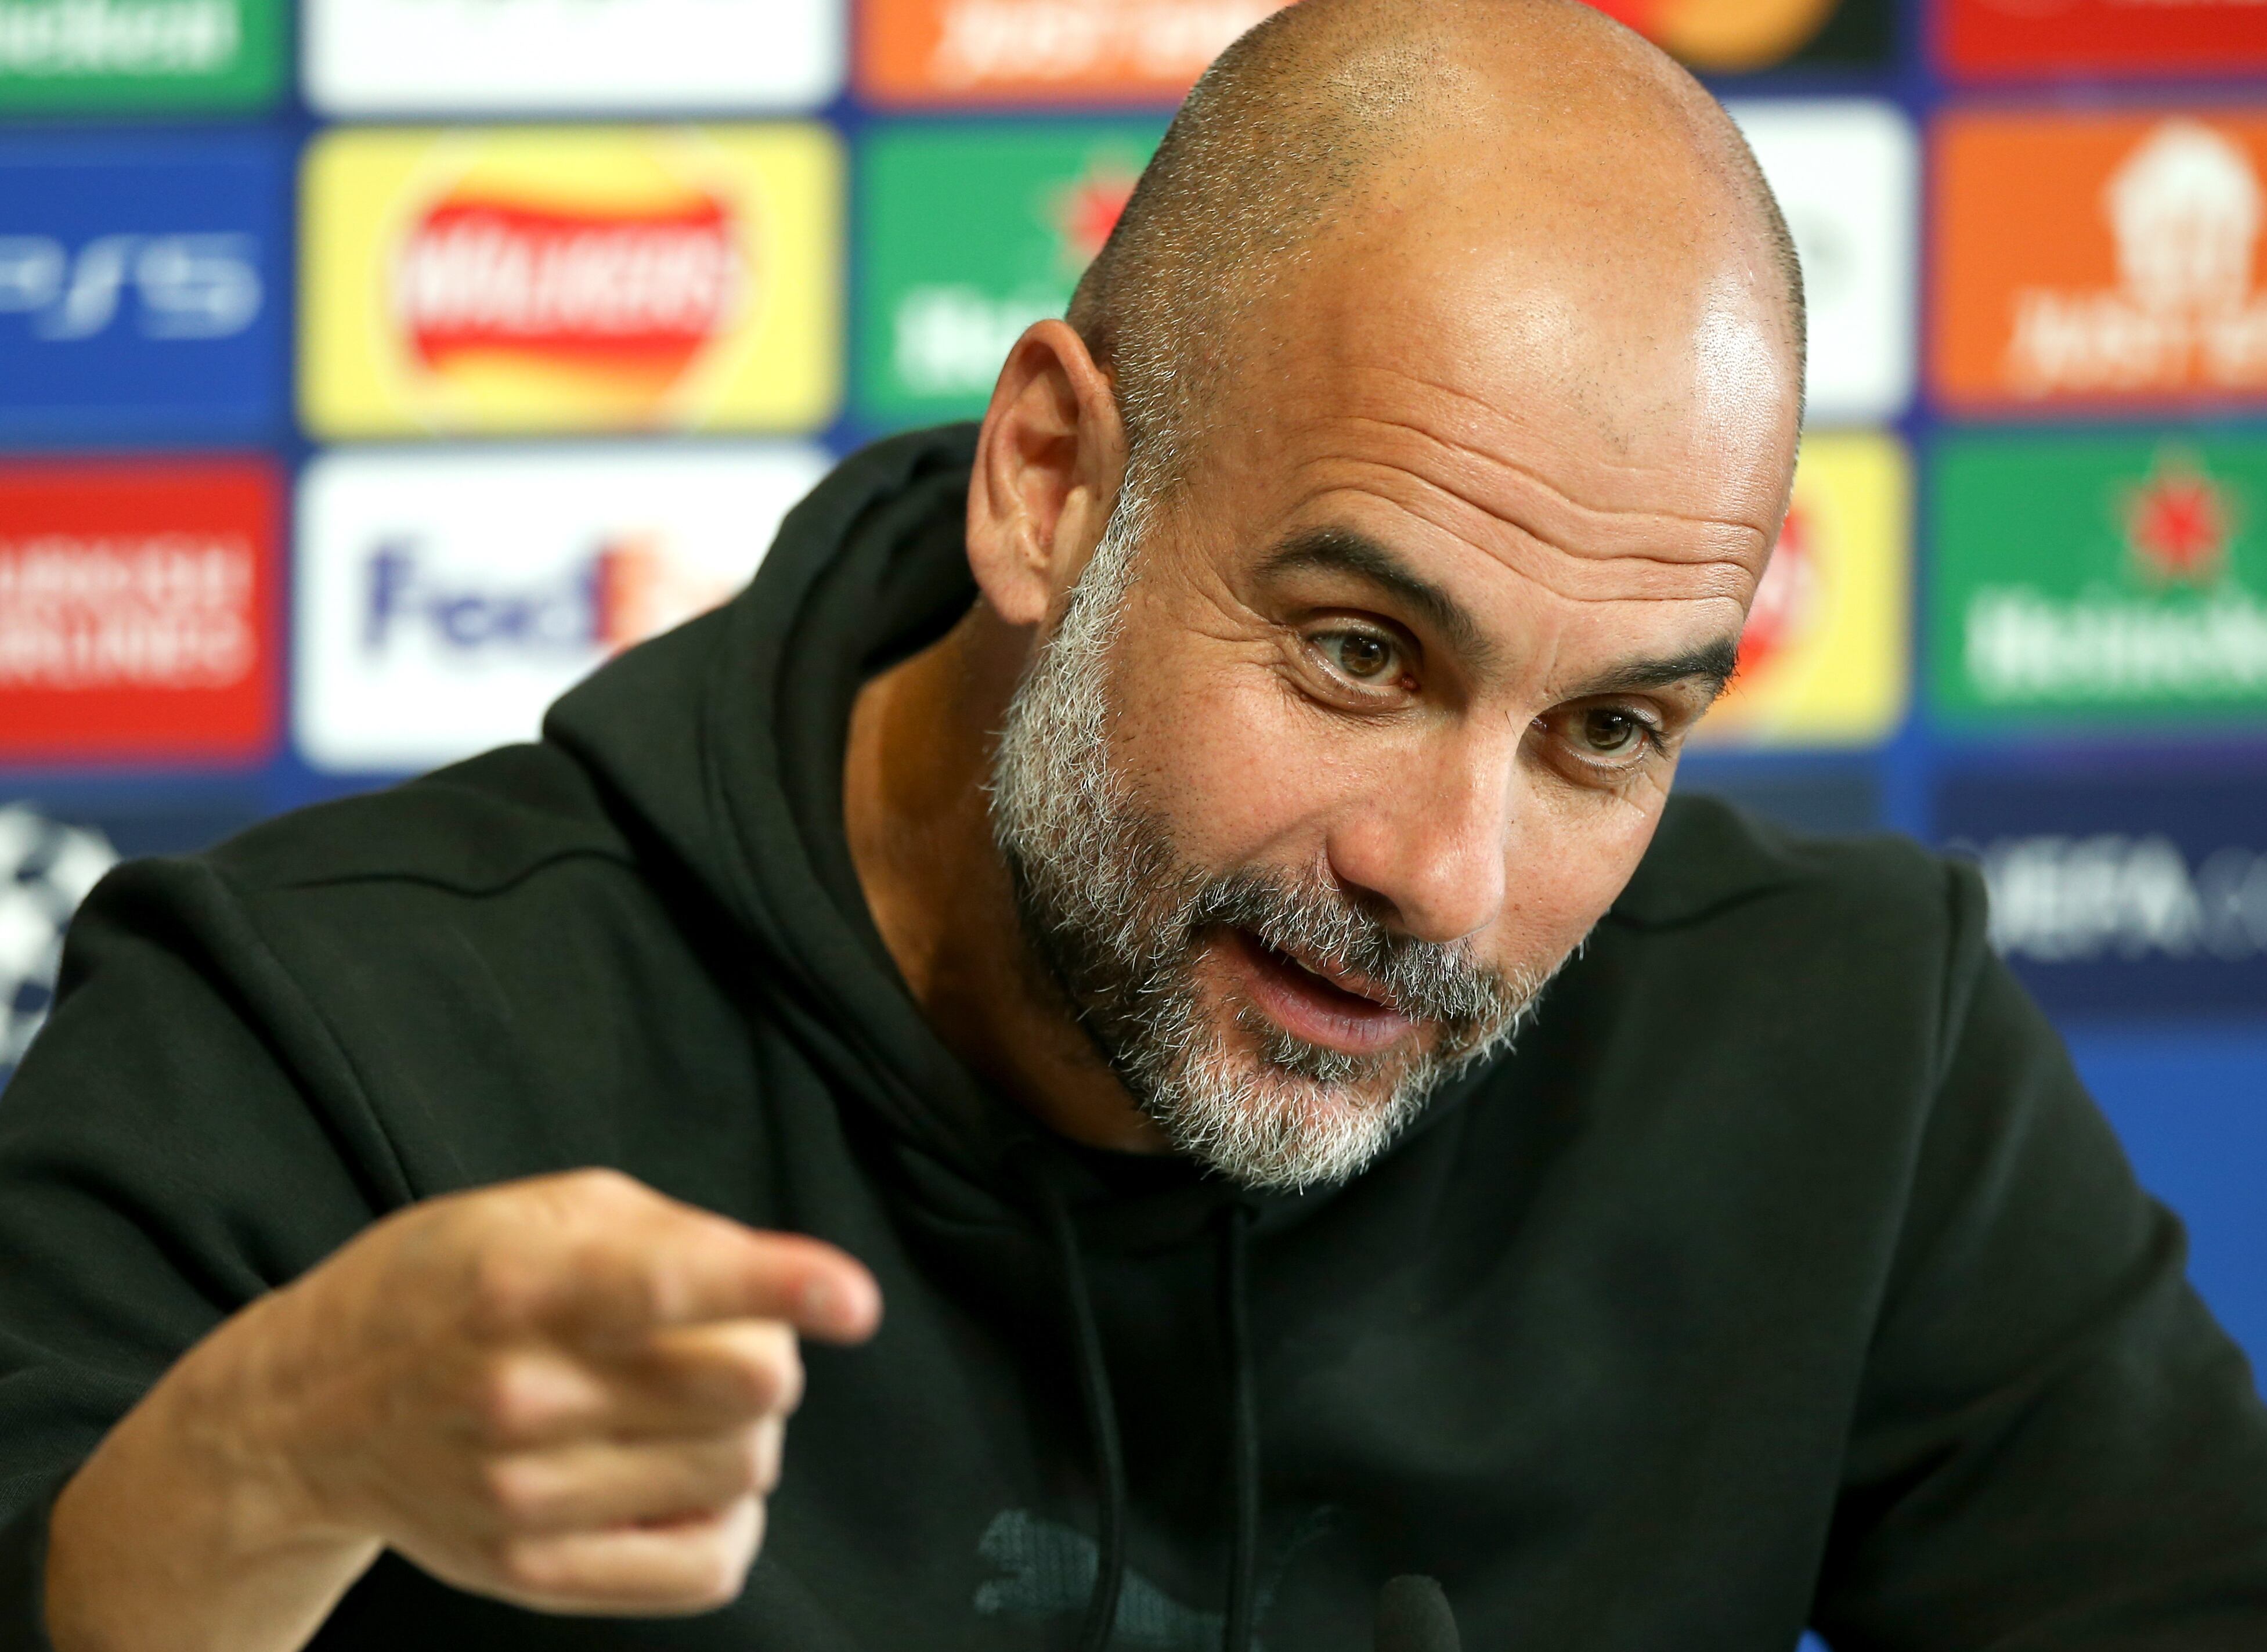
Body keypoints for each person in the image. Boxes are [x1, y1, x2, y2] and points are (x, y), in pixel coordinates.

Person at [8, 1, 2267, 1647]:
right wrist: (279, 1456)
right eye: (1358, 653)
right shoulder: (328, 1031)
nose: (1444, 879)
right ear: (1048, 485)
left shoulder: (1842, 1054)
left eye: (1603, 733)